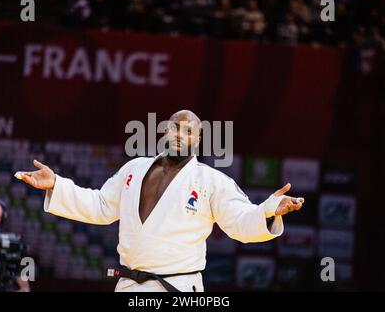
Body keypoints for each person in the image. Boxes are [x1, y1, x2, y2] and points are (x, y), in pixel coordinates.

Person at [17, 110, 304, 292]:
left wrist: (268, 210)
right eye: (175, 128)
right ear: (165, 131)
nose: (180, 135)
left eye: (188, 131)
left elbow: (240, 221)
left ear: (198, 139)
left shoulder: (210, 181)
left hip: (177, 286)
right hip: (130, 283)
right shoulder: (134, 169)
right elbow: (101, 206)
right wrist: (57, 185)